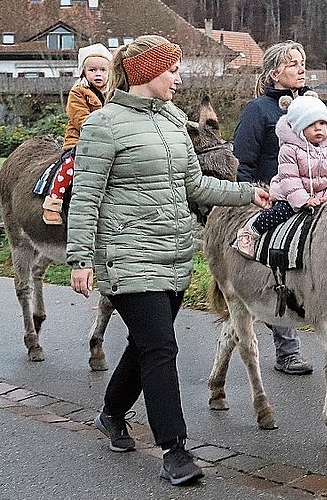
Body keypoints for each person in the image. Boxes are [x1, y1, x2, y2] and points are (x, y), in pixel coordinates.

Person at [66, 35, 270, 486]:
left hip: (174, 255)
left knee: (146, 346)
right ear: (146, 73)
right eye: (171, 69)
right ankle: (175, 449)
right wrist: (79, 258)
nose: (178, 78)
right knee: (161, 348)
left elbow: (194, 186)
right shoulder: (103, 125)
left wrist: (247, 192)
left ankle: (112, 413)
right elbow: (85, 198)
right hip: (127, 255)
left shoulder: (176, 121)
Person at [233, 40, 313, 376]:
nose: (301, 68)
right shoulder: (258, 111)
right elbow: (243, 161)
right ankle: (287, 351)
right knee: (278, 266)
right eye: (293, 63)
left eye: (302, 62)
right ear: (274, 72)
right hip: (271, 199)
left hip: (310, 198)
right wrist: (247, 199)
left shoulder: (312, 106)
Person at [236, 94, 327, 258]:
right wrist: (303, 201)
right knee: (280, 213)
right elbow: (289, 179)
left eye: (322, 123)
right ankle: (250, 232)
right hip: (291, 195)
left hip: (322, 195)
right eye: (311, 124)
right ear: (299, 129)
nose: (318, 128)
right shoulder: (289, 149)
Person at [42, 43, 112, 225]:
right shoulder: (78, 93)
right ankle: (53, 203)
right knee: (70, 165)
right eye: (92, 70)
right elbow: (81, 119)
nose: (98, 74)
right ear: (83, 72)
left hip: (105, 144)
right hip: (80, 142)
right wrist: (103, 129)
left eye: (103, 70)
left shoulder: (111, 95)